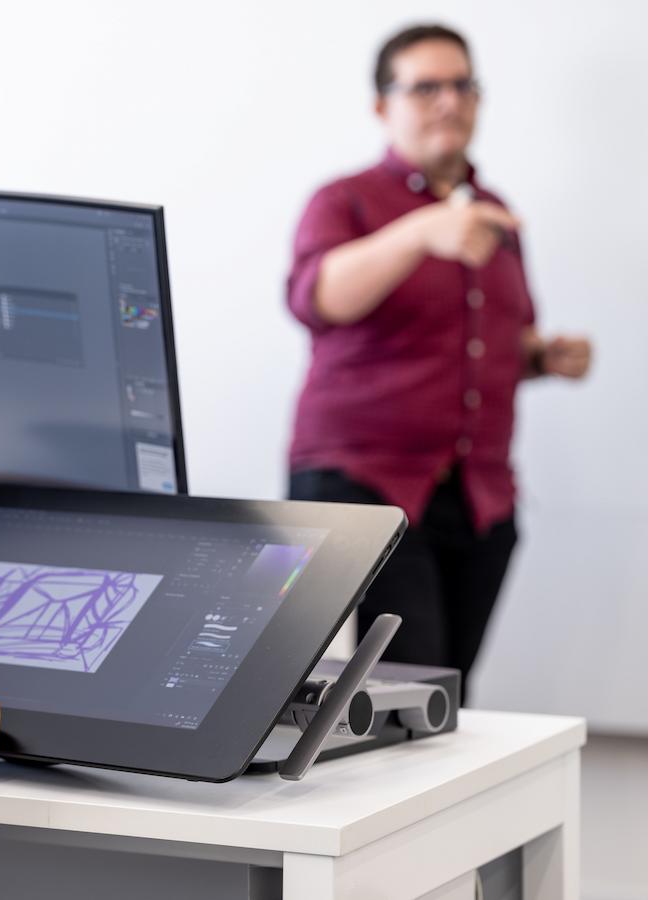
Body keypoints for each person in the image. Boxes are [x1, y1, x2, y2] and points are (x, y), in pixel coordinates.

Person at [285, 24, 592, 700]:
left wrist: (542, 356)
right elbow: (316, 297)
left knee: (451, 700)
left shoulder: (495, 213)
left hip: (477, 495)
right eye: (426, 87)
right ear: (381, 106)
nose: (448, 101)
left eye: (462, 85)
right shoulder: (346, 200)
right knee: (405, 704)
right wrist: (424, 231)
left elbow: (489, 345)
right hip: (365, 484)